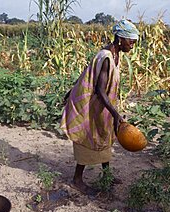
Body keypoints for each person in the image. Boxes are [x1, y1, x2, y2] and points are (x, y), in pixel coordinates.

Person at [60, 19, 139, 195]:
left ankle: (107, 174)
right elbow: (100, 90)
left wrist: (112, 113)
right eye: (131, 41)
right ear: (120, 39)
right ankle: (77, 180)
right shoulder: (106, 58)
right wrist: (116, 114)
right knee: (87, 137)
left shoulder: (115, 55)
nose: (132, 46)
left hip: (103, 106)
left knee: (104, 135)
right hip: (92, 104)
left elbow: (86, 72)